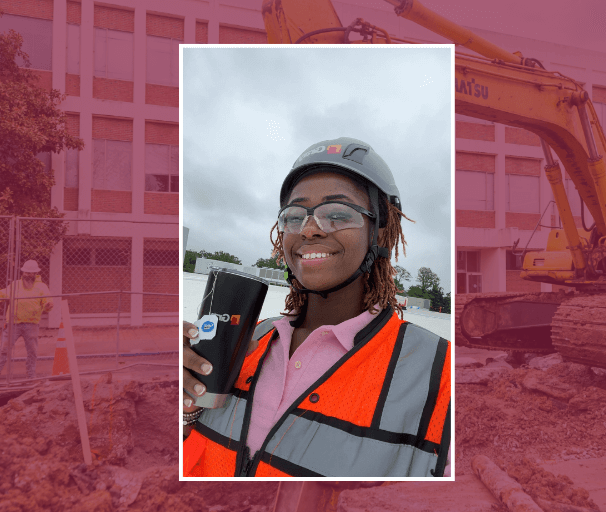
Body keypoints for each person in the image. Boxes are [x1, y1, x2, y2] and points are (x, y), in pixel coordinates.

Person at [181, 138, 452, 477]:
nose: (308, 230)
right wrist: (187, 403)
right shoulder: (248, 341)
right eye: (294, 216)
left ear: (379, 233)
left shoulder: (441, 373)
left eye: (338, 214)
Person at [0, 260, 53, 382]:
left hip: (32, 324)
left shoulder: (41, 287)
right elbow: (4, 293)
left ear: (36, 274)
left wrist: (49, 305)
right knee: (3, 350)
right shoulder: (15, 285)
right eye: (27, 273)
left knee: (32, 352)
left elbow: (47, 301)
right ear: (23, 272)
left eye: (32, 273)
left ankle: (31, 376)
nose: (29, 275)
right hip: (13, 323)